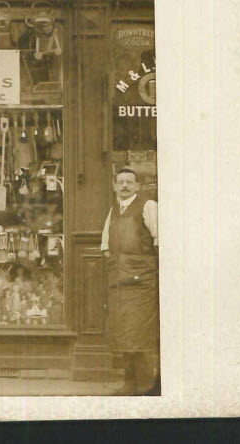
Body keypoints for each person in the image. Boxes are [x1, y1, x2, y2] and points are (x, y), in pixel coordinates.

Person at [101, 167, 159, 395]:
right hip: (120, 283)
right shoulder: (113, 210)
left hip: (142, 283)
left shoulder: (148, 206)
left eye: (129, 182)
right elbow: (105, 245)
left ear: (137, 186)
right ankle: (129, 383)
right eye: (121, 182)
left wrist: (142, 267)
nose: (124, 185)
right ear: (115, 186)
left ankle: (147, 385)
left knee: (141, 332)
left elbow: (159, 240)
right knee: (124, 333)